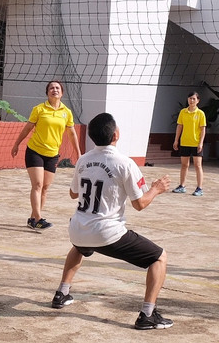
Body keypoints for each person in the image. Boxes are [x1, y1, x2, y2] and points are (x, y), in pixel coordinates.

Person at [50, 112, 174, 330]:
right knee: (159, 258)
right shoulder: (125, 163)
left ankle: (62, 293)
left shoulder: (83, 159)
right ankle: (147, 314)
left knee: (80, 247)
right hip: (106, 233)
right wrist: (156, 189)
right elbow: (140, 204)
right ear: (116, 134)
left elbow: (73, 193)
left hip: (77, 229)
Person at [11, 80, 81, 229]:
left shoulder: (66, 112)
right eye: (51, 88)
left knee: (45, 187)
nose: (54, 90)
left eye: (57, 88)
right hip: (35, 151)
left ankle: (33, 219)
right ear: (47, 92)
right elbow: (27, 128)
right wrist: (16, 144)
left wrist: (78, 153)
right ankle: (38, 218)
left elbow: (72, 134)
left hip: (53, 154)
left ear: (62, 93)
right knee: (37, 184)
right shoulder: (39, 109)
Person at [171, 91, 206, 196]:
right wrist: (176, 140)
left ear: (198, 101)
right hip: (185, 142)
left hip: (196, 143)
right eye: (190, 98)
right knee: (184, 165)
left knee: (198, 165)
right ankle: (182, 186)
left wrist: (201, 143)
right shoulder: (183, 112)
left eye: (194, 99)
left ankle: (199, 188)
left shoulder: (200, 113)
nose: (191, 100)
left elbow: (203, 129)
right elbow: (179, 126)